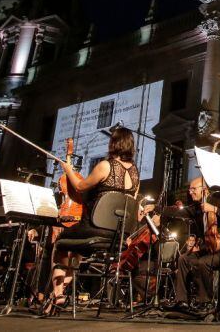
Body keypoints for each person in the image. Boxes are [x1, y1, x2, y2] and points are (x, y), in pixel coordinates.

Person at [47, 126, 140, 315]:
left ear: (114, 143)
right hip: (117, 234)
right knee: (78, 250)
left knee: (61, 242)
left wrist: (68, 169)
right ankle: (61, 291)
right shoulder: (136, 174)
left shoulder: (106, 166)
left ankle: (57, 293)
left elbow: (81, 186)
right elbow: (131, 205)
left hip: (95, 229)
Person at [171, 177, 220, 311]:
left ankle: (205, 301)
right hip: (209, 250)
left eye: (193, 189)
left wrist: (213, 209)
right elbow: (177, 212)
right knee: (184, 259)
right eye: (189, 189)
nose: (190, 192)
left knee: (202, 262)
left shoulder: (218, 200)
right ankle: (182, 301)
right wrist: (157, 209)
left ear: (204, 189)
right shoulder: (196, 208)